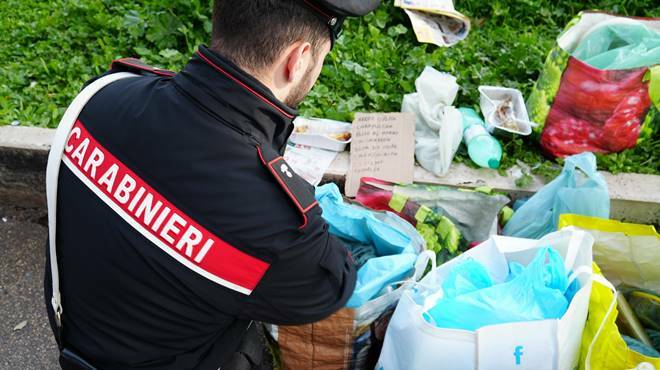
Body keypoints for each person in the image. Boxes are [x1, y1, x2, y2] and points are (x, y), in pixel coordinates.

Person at [44, 1, 380, 369]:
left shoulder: (101, 97)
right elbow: (331, 287)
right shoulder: (277, 224)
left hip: (75, 341)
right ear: (297, 59)